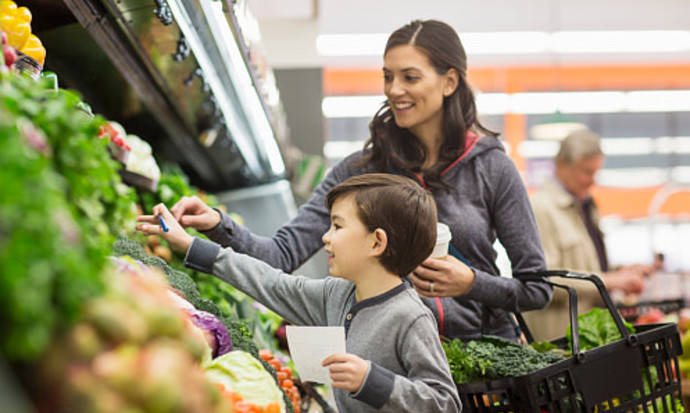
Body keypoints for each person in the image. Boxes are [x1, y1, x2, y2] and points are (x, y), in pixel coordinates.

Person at [164, 19, 552, 343]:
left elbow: (537, 289)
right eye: (388, 77)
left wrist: (471, 282)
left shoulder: (492, 168)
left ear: (449, 82)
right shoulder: (360, 170)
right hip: (392, 363)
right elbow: (281, 255)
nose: (394, 89)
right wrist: (220, 225)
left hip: (484, 368)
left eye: (410, 77)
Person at [137, 173, 463, 413]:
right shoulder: (337, 295)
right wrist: (189, 244)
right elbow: (271, 282)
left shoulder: (410, 316)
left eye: (337, 226)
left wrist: (372, 379)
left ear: (376, 242)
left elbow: (445, 403)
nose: (325, 237)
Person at [524, 129, 654, 341]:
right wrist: (610, 281)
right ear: (562, 164)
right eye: (586, 172)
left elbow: (587, 267)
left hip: (589, 336)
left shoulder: (585, 206)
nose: (591, 181)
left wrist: (621, 272)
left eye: (595, 173)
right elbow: (545, 281)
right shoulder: (541, 209)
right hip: (560, 342)